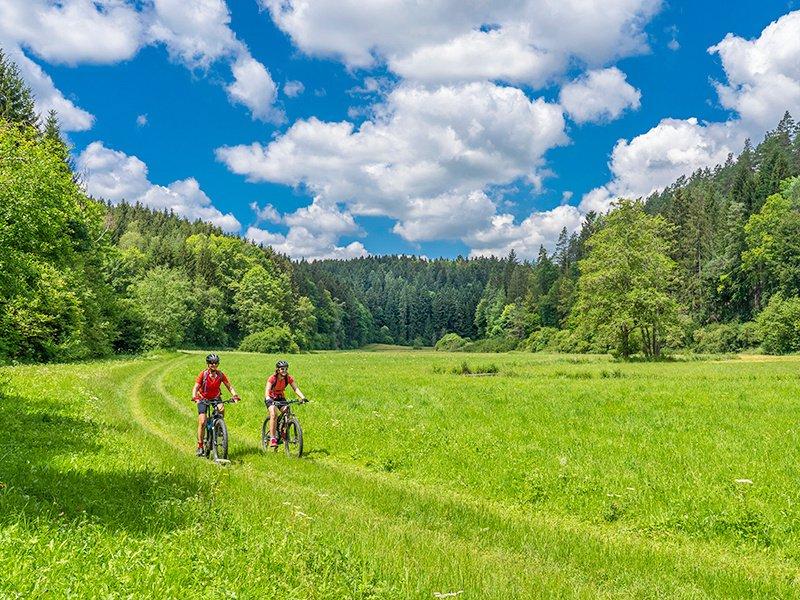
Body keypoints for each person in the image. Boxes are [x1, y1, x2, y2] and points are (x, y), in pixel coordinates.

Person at [192, 353, 239, 456]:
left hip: (215, 397)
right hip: (202, 398)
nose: (214, 365)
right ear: (208, 364)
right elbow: (195, 387)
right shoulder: (203, 374)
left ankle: (218, 426)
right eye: (211, 363)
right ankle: (200, 446)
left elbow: (229, 386)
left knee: (221, 409)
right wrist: (195, 397)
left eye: (216, 363)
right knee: (202, 421)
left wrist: (235, 395)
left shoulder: (220, 375)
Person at [265, 360, 306, 447]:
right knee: (273, 414)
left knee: (287, 410)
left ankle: (282, 431)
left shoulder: (288, 378)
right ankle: (272, 438)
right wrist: (268, 397)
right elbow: (267, 390)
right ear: (278, 370)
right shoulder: (272, 378)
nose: (284, 371)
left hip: (280, 397)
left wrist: (302, 397)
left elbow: (295, 388)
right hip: (271, 398)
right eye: (282, 369)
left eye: (286, 369)